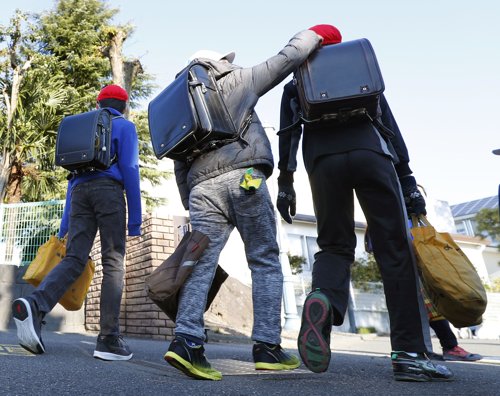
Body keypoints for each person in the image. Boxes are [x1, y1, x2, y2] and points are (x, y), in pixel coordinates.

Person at [277, 24, 453, 381]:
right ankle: (407, 352)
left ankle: (324, 299)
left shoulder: (296, 83)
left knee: (334, 245)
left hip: (323, 163)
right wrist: (407, 179)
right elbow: (389, 125)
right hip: (371, 153)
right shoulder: (361, 70)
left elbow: (288, 135)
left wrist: (286, 184)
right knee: (394, 249)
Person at [165, 25, 333, 381]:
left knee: (201, 262)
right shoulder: (235, 80)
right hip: (246, 178)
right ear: (218, 64)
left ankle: (186, 342)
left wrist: (193, 201)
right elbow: (285, 60)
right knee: (264, 259)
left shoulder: (180, 104)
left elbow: (181, 165)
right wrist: (313, 34)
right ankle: (267, 347)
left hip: (201, 190)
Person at [12, 85, 142, 361]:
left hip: (81, 194)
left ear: (98, 105)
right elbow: (130, 168)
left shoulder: (86, 128)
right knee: (113, 263)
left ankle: (35, 304)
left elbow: (73, 181)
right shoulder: (125, 126)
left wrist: (64, 227)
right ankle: (108, 339)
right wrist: (135, 220)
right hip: (109, 192)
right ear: (124, 106)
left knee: (74, 259)